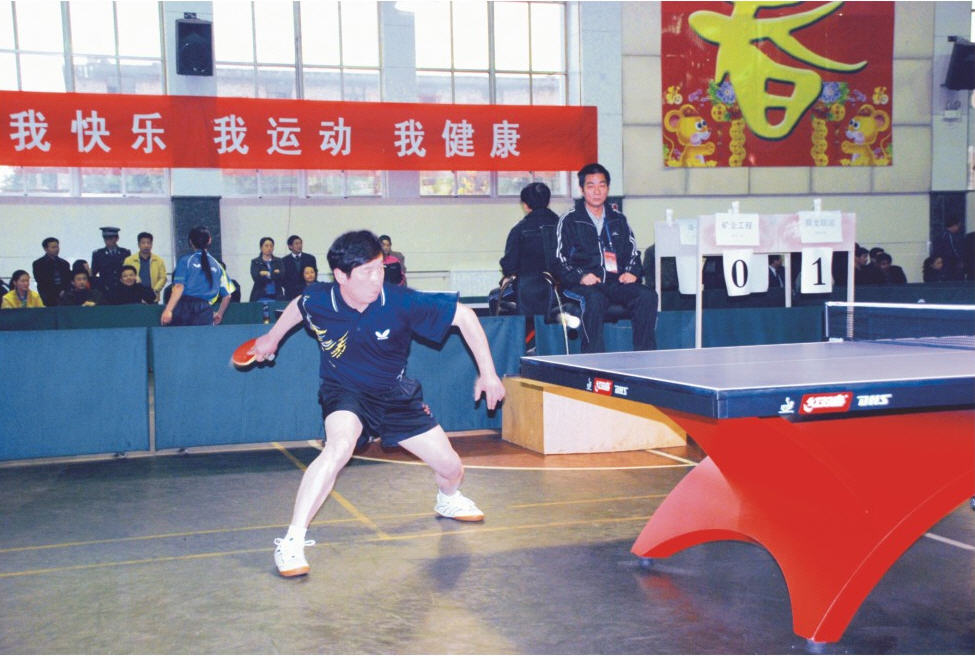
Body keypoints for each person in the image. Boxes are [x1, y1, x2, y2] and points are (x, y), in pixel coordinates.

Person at [251, 230, 505, 578]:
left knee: (451, 470)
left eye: (380, 268)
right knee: (338, 448)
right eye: (367, 272)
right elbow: (298, 306)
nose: (377, 278)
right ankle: (292, 540)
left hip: (395, 395)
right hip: (345, 392)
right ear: (341, 276)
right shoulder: (320, 299)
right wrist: (272, 337)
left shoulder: (399, 301)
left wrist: (488, 374)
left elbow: (465, 317)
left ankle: (447, 498)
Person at [555, 162, 658, 353]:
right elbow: (559, 260)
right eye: (591, 186)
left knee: (647, 296)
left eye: (601, 185)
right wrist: (580, 276)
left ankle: (645, 355)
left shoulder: (618, 219)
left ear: (608, 188)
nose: (597, 191)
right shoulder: (569, 220)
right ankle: (592, 358)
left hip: (614, 282)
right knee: (595, 299)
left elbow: (633, 252)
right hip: (581, 285)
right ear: (582, 189)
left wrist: (632, 272)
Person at [499, 182, 561, 316]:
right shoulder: (564, 226)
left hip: (526, 292)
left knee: (494, 297)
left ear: (526, 205)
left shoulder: (519, 229)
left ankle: (517, 330)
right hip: (559, 292)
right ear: (548, 201)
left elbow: (509, 265)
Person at [161, 226, 235, 326]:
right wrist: (219, 314)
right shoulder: (218, 266)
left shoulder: (185, 261)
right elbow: (227, 296)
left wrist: (168, 310)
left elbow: (178, 287)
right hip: (205, 310)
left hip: (183, 309)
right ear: (209, 240)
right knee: (202, 336)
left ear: (190, 242)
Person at [123, 232, 167, 303]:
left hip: (152, 297)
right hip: (133, 298)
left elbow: (163, 278)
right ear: (138, 245)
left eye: (148, 243)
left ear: (151, 245)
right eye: (143, 243)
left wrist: (155, 290)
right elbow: (124, 277)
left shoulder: (159, 260)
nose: (146, 245)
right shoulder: (129, 260)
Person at [32, 237, 71, 306]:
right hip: (47, 296)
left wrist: (64, 291)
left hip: (64, 296)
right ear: (45, 249)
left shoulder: (64, 263)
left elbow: (68, 280)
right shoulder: (38, 264)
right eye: (53, 247)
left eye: (57, 247)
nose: (56, 249)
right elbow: (40, 281)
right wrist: (55, 292)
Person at [91, 226, 131, 296]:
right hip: (105, 290)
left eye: (111, 238)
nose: (108, 241)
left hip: (122, 289)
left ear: (117, 238)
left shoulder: (125, 253)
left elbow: (128, 271)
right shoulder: (98, 254)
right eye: (105, 238)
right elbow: (93, 273)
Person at [281, 235, 318, 300]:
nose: (299, 246)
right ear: (290, 246)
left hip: (308, 292)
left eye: (300, 243)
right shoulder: (284, 261)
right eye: (296, 244)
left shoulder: (310, 258)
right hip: (291, 294)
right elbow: (283, 279)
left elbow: (314, 274)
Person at [249, 237, 285, 302]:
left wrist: (265, 273)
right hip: (260, 296)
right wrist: (274, 273)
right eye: (266, 246)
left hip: (277, 296)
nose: (269, 248)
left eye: (271, 246)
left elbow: (282, 276)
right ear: (261, 248)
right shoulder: (255, 262)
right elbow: (256, 277)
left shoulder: (278, 261)